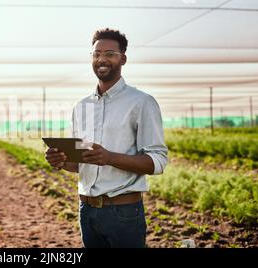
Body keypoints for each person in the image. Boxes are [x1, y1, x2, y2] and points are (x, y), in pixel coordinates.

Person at [45, 28, 168, 248]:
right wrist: (63, 161)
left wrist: (109, 157)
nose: (102, 59)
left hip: (123, 213)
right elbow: (81, 164)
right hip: (87, 211)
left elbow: (157, 162)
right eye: (96, 54)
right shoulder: (81, 107)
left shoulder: (141, 102)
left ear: (123, 59)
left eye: (110, 54)